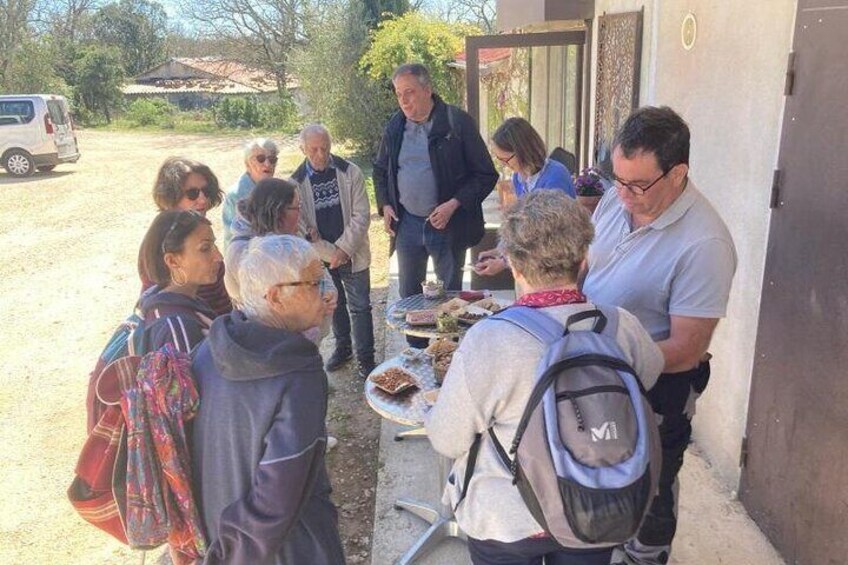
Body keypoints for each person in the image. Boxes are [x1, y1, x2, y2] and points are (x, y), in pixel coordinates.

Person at [426, 190, 664, 565]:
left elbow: (447, 437)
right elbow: (649, 376)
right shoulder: (622, 326)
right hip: (594, 505)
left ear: (516, 268)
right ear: (584, 259)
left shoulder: (489, 340)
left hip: (506, 519)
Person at [581, 106, 737, 565]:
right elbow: (589, 262)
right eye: (618, 178)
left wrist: (604, 356)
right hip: (601, 368)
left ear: (678, 173)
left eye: (638, 184)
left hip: (656, 389)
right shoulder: (619, 196)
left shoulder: (705, 244)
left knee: (649, 493)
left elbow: (687, 349)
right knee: (601, 482)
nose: (623, 195)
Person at [191, 235, 345, 565]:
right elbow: (274, 502)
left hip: (218, 530)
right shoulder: (298, 375)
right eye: (314, 283)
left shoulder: (211, 347)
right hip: (286, 549)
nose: (326, 293)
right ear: (275, 297)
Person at [374, 62, 498, 346]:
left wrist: (454, 204)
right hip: (407, 225)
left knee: (448, 300)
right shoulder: (395, 126)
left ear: (427, 90)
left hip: (448, 227)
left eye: (410, 92)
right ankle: (417, 354)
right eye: (398, 94)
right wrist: (386, 205)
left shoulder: (457, 123)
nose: (403, 100)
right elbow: (380, 170)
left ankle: (448, 356)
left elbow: (486, 175)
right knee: (410, 297)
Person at [291, 123, 375, 378]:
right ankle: (343, 348)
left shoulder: (351, 172)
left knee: (360, 307)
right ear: (303, 149)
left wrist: (343, 249)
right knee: (334, 305)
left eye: (324, 148)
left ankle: (366, 358)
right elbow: (301, 228)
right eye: (314, 149)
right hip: (322, 258)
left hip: (353, 251)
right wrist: (332, 254)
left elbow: (361, 216)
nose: (320, 155)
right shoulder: (295, 183)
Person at [223, 178, 337, 343]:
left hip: (303, 340)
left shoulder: (288, 235)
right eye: (297, 208)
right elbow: (263, 310)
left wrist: (329, 292)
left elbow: (319, 271)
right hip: (279, 347)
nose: (301, 213)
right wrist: (313, 305)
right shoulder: (242, 252)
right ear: (278, 212)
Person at [475, 117, 577, 277]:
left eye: (506, 159)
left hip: (556, 269)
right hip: (532, 268)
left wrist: (504, 262)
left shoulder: (556, 176)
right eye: (499, 159)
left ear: (523, 150)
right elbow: (522, 223)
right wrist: (501, 250)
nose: (503, 165)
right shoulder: (518, 178)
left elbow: (547, 235)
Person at [141, 156, 232, 317]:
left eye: (206, 191)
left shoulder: (199, 231)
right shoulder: (162, 241)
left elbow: (219, 301)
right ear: (171, 197)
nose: (202, 199)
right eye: (192, 193)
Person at [137, 209, 223, 353]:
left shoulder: (174, 301)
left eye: (214, 245)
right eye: (205, 248)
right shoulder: (177, 328)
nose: (219, 257)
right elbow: (186, 375)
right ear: (172, 260)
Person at [221, 138, 279, 247]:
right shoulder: (236, 195)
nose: (267, 164)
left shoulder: (278, 191)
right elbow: (232, 241)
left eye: (272, 159)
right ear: (247, 163)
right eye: (260, 159)